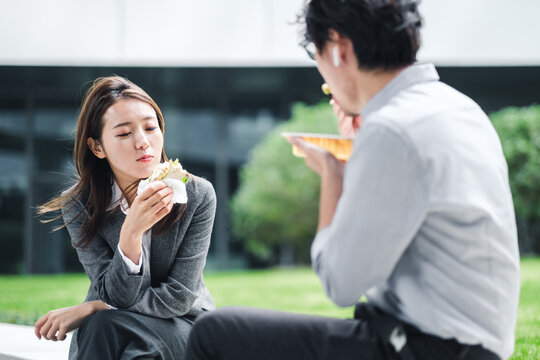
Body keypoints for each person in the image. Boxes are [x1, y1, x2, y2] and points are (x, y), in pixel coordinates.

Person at [184, 0, 520, 359]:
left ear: (338, 48)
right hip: (475, 344)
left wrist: (334, 174)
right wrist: (363, 142)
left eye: (318, 54)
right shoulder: (458, 108)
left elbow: (340, 283)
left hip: (429, 348)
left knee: (215, 332)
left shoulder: (392, 129)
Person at [34, 76, 216, 360]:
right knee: (118, 339)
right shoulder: (79, 204)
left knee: (106, 328)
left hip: (183, 324)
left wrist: (95, 307)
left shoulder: (196, 194)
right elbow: (115, 293)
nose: (143, 143)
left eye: (150, 127)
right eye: (123, 134)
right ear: (97, 147)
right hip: (113, 327)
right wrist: (131, 232)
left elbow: (180, 297)